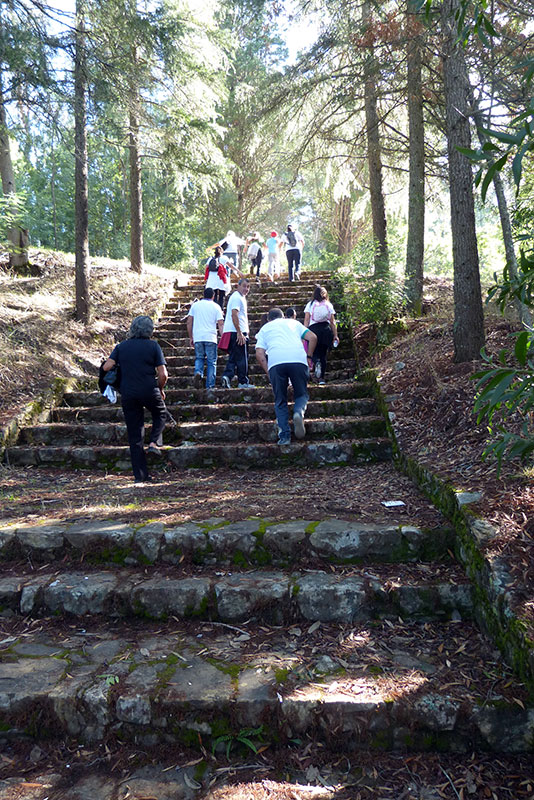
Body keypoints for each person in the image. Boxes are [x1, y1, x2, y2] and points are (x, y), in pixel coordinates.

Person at [102, 315, 168, 484]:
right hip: (148, 389)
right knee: (160, 413)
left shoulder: (121, 346)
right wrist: (160, 389)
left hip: (128, 392)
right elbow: (163, 374)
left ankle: (140, 476)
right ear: (150, 330)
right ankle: (154, 443)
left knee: (135, 434)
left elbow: (106, 367)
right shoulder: (153, 346)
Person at [255, 308, 317, 446]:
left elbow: (259, 354)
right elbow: (313, 337)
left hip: (276, 363)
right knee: (301, 394)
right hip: (298, 360)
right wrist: (309, 357)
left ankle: (284, 436)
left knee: (280, 400)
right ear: (283, 316)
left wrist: (268, 371)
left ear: (269, 319)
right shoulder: (293, 323)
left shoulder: (265, 328)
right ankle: (298, 412)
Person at [187, 287, 224, 390]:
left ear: (203, 295)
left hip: (198, 337)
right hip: (211, 337)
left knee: (199, 358)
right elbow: (220, 324)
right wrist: (223, 337)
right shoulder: (216, 307)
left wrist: (191, 337)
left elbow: (189, 322)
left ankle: (198, 372)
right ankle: (210, 385)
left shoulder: (195, 306)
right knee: (211, 362)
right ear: (213, 296)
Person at [221, 278, 254, 389]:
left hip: (233, 331)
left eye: (248, 287)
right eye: (244, 286)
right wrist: (240, 333)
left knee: (235, 356)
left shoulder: (239, 297)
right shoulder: (236, 298)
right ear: (238, 286)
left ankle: (227, 376)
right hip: (236, 331)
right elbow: (234, 314)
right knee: (242, 358)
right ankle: (243, 381)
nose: (246, 289)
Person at [304, 285, 339, 384]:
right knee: (323, 354)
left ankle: (316, 362)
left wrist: (304, 333)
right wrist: (335, 335)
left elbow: (306, 319)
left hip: (313, 330)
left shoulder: (310, 305)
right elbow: (332, 321)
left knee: (313, 352)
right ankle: (322, 379)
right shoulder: (328, 304)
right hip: (325, 330)